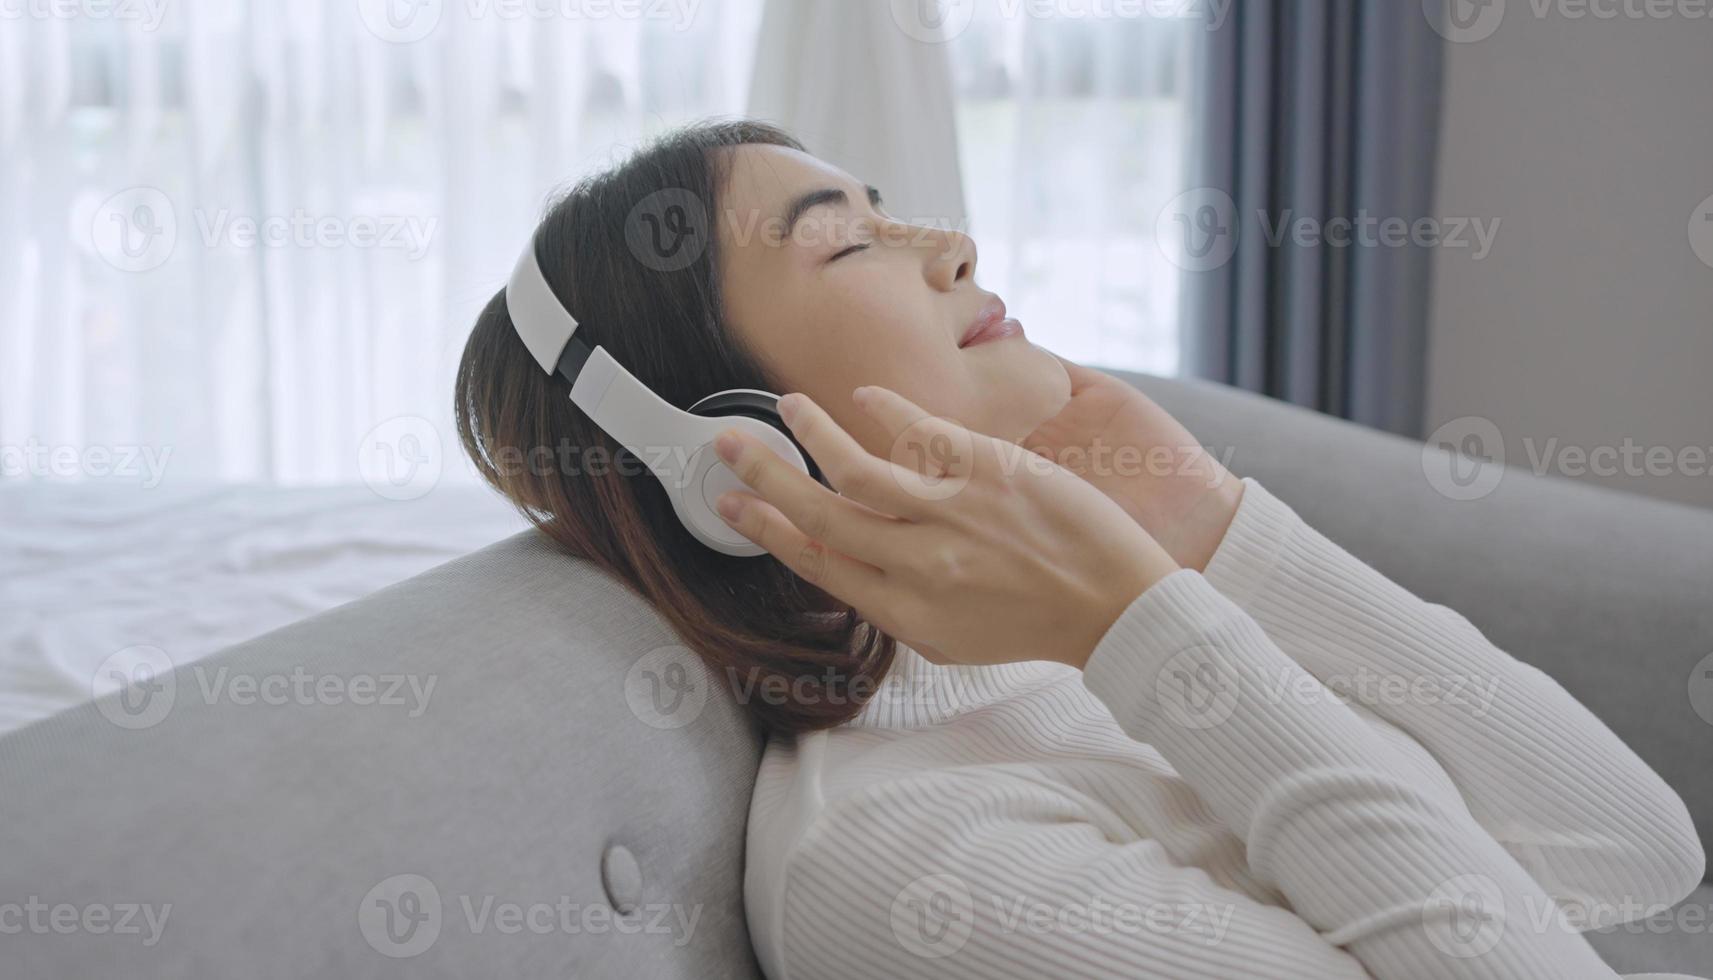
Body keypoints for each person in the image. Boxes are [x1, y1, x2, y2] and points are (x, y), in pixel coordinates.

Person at [453, 119, 1706, 979]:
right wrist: (1144, 623)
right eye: (845, 241)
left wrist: (1214, 529)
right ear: (731, 455)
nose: (949, 244)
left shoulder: (1045, 652)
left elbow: (1634, 854)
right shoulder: (896, 858)